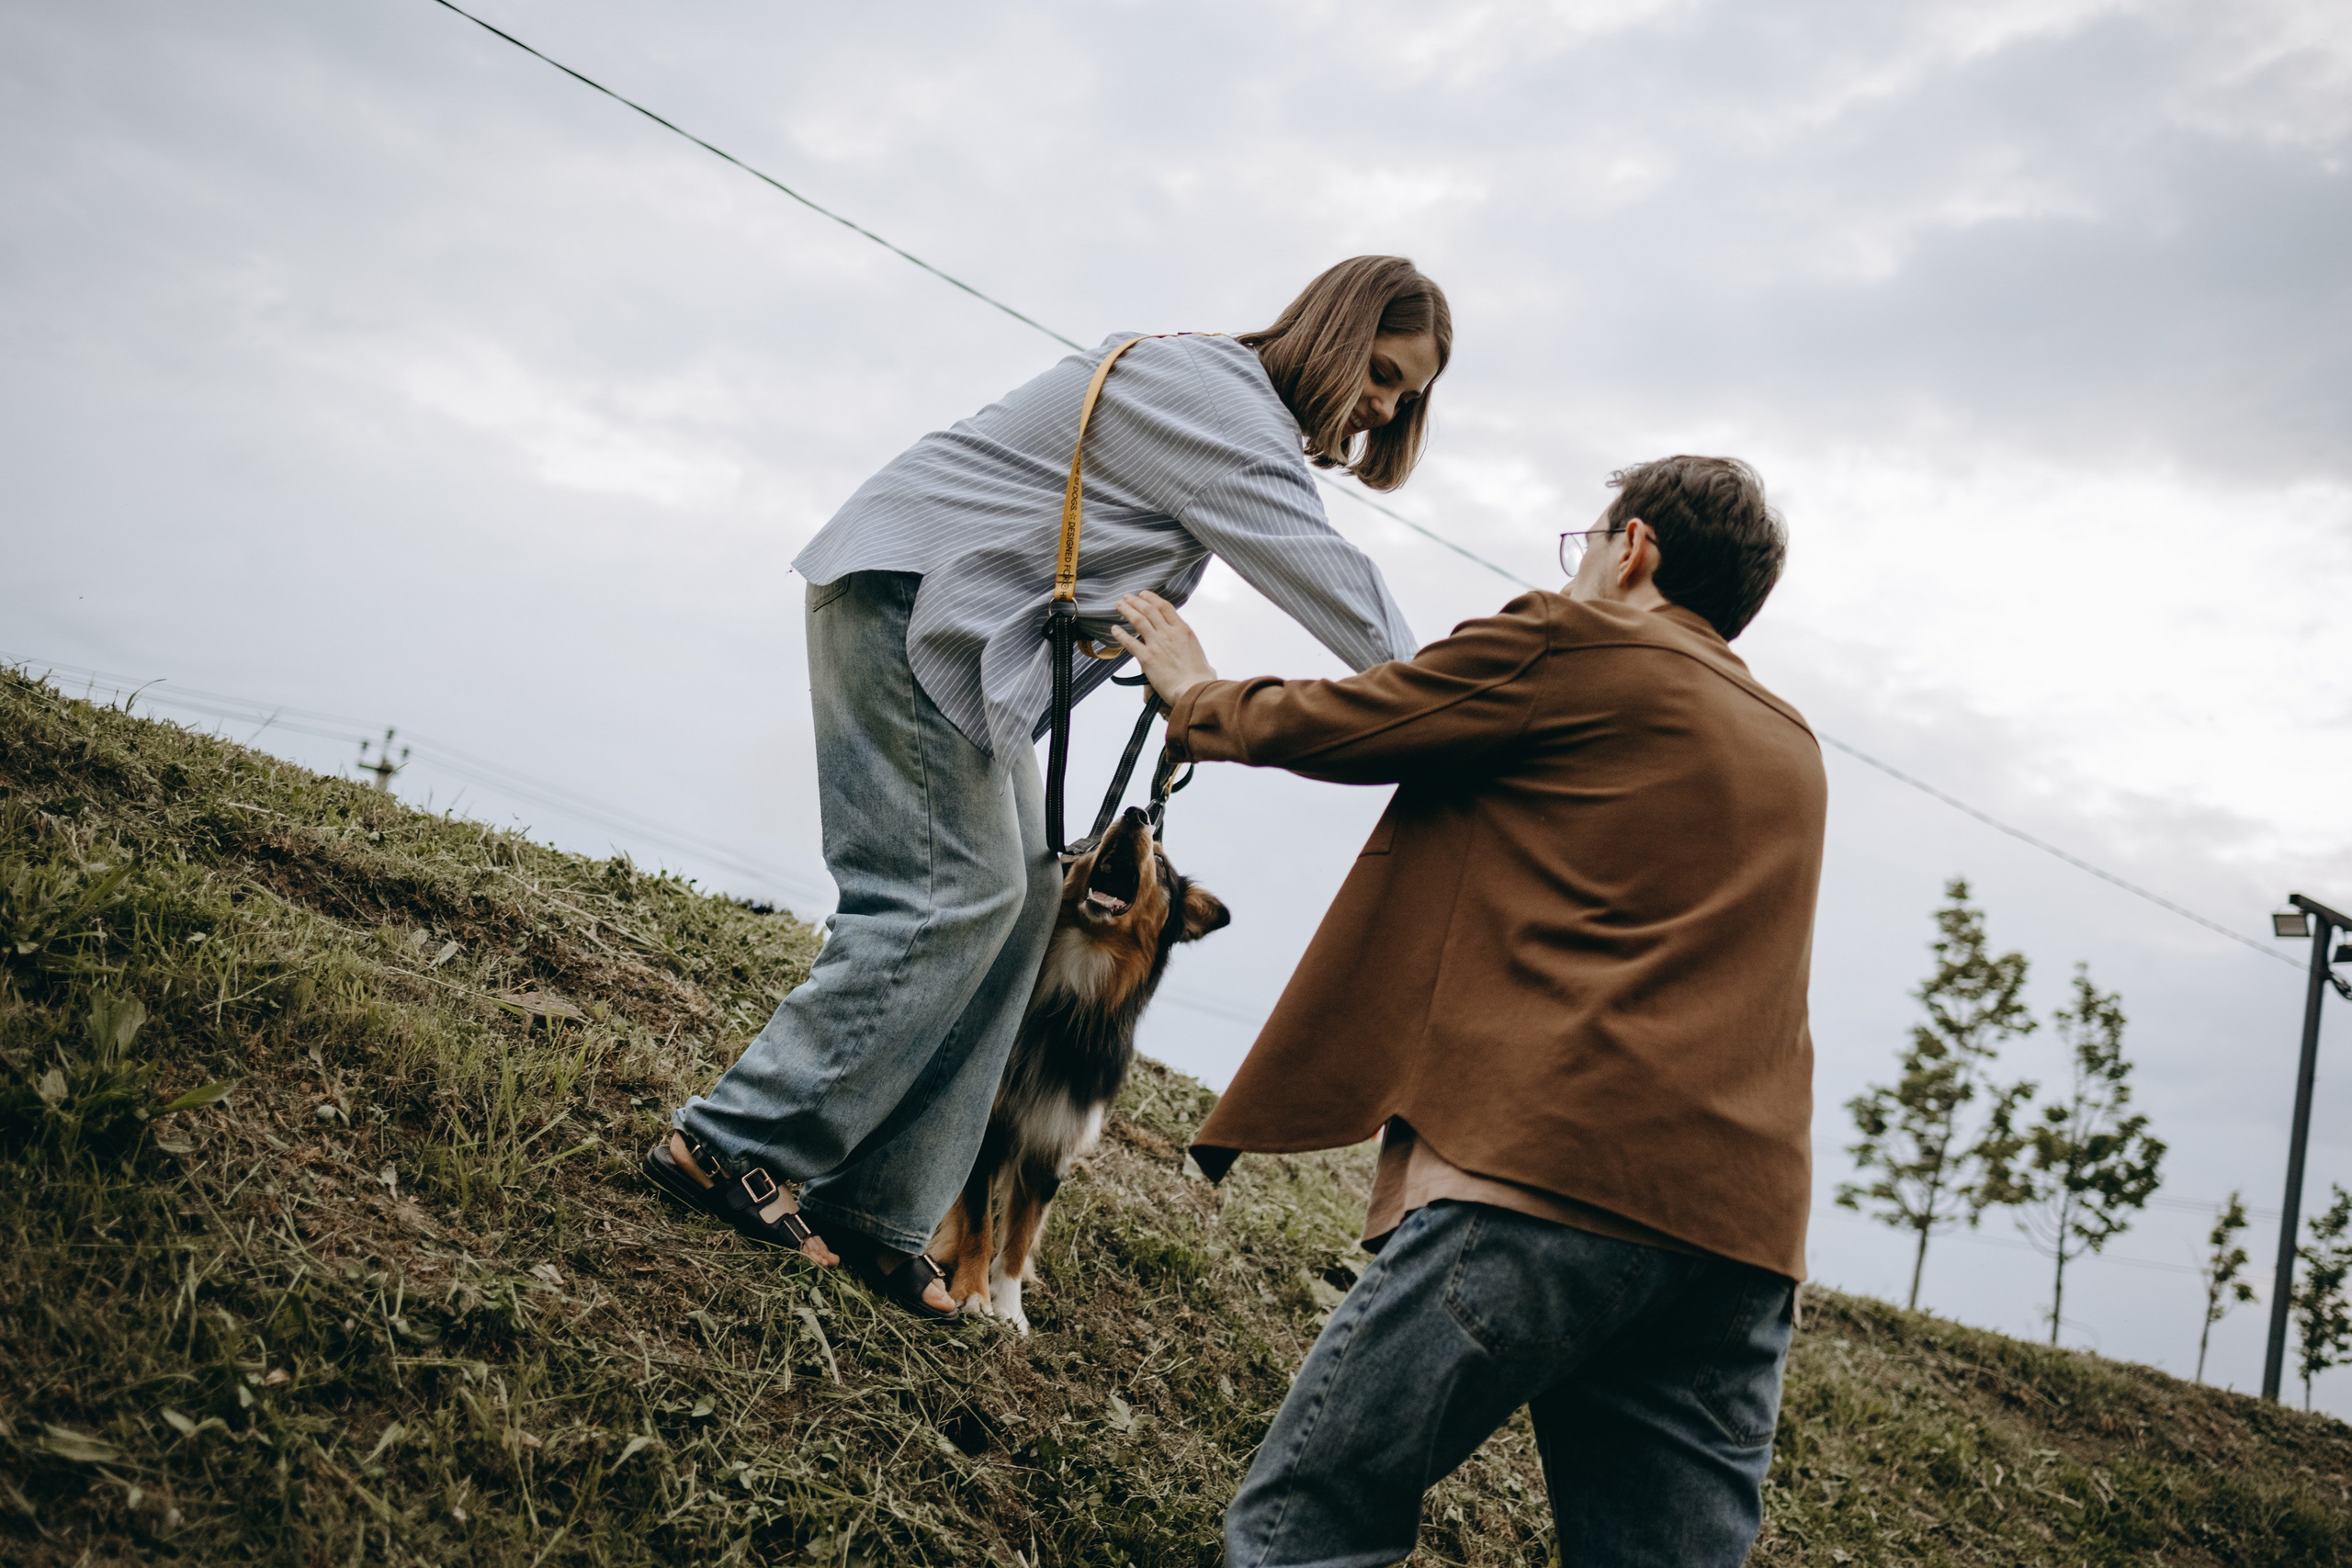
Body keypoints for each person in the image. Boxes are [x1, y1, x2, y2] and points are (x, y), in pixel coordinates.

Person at [641, 257, 1450, 1319]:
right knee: (950, 892)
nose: (1386, 406)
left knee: (1022, 903)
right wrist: (1463, 702)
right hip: (916, 599)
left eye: (1409, 396)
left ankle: (879, 1209)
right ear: (1335, 333)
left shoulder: (1213, 395)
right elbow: (1331, 578)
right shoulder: (1220, 406)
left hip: (965, 639)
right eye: (1383, 373)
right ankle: (726, 1145)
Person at [1110, 456, 1826, 1566]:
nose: (1577, 566)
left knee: (1310, 1532)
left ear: (1631, 548)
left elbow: (1359, 720)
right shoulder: (1793, 746)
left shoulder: (1573, 641)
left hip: (1545, 1182)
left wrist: (1198, 693)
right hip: (1738, 1244)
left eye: (1583, 545)